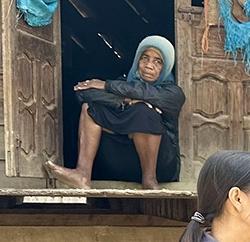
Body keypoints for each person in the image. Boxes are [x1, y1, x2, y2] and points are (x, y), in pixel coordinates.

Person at [46, 35, 185, 190]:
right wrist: (128, 100)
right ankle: (82, 174)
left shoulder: (173, 93)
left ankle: (149, 180)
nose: (148, 65)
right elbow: (84, 93)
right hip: (121, 162)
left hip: (162, 165)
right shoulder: (121, 84)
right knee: (91, 108)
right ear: (137, 60)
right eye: (144, 58)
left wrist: (108, 86)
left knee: (143, 112)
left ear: (166, 67)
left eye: (158, 62)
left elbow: (150, 94)